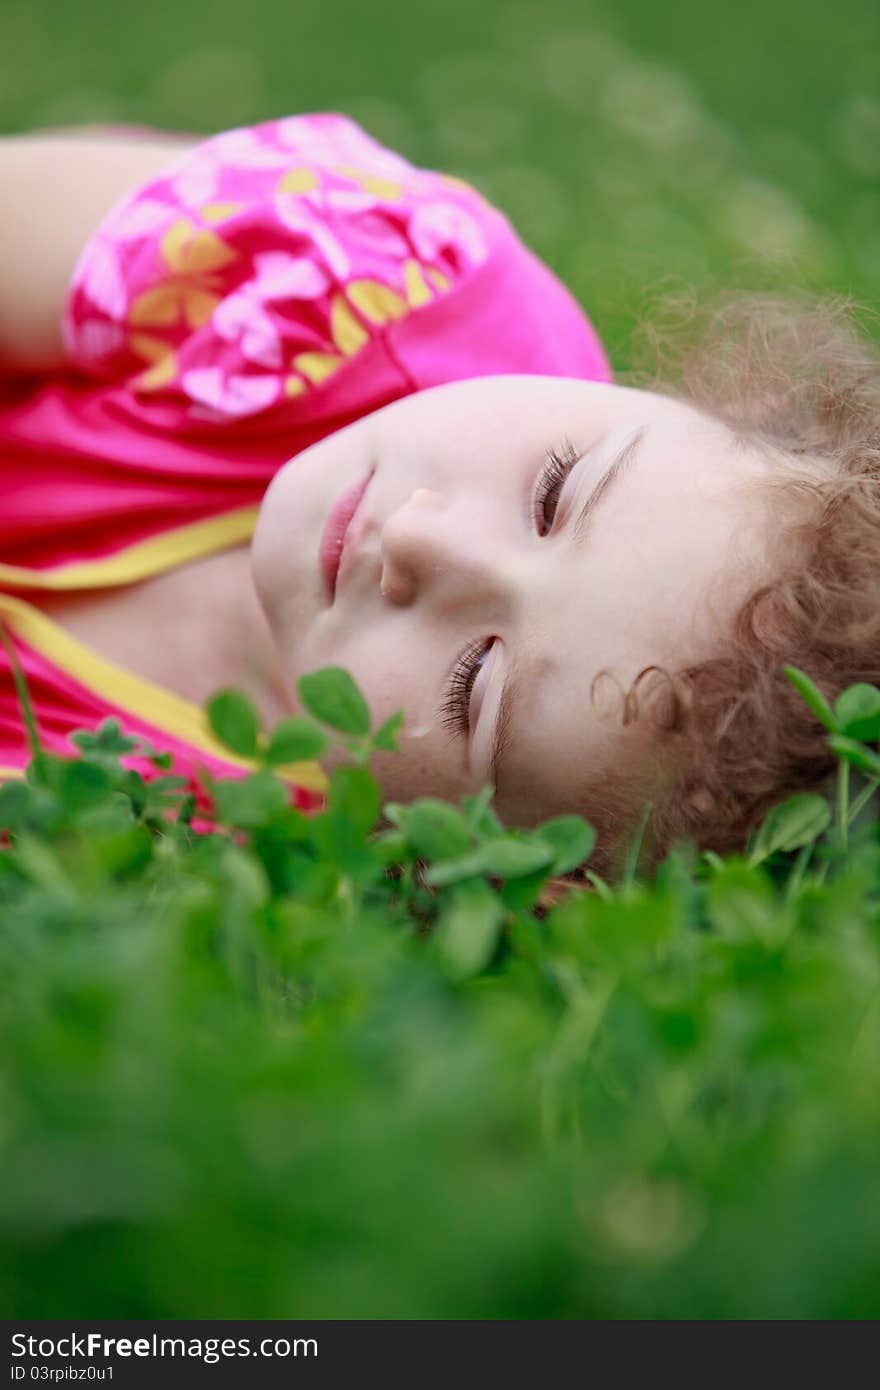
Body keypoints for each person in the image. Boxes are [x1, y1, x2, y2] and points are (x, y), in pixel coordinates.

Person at [1, 114, 877, 878]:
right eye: (554, 490)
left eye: (475, 684)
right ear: (701, 404)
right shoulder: (378, 285)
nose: (425, 542)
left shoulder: (189, 850)